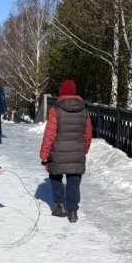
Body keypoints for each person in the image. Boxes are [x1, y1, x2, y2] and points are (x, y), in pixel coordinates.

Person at [39, 79, 92, 222]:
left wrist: (44, 154)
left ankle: (60, 205)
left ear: (61, 93)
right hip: (77, 152)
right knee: (74, 180)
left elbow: (49, 134)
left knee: (55, 176)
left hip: (57, 153)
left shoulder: (55, 110)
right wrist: (84, 150)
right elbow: (88, 134)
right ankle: (73, 211)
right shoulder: (84, 111)